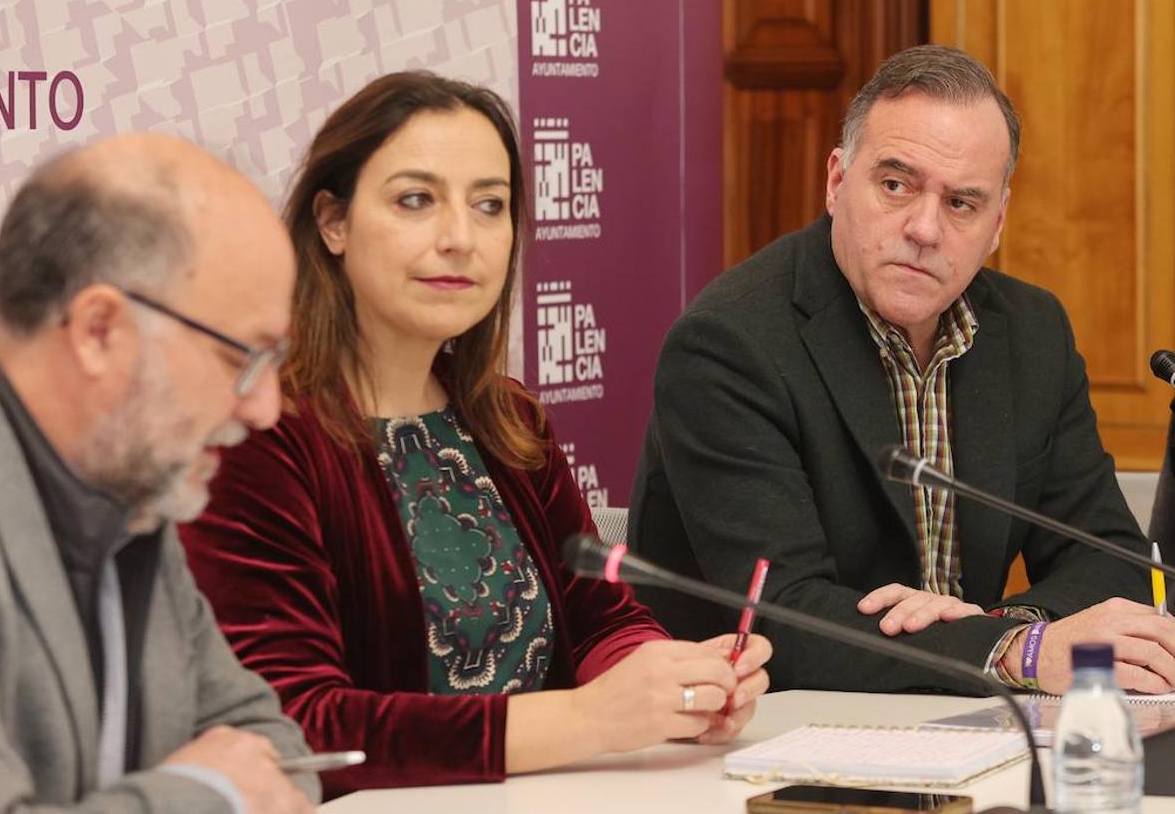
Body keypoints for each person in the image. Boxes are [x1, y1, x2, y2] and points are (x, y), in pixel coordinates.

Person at [177, 71, 771, 797]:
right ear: (332, 222)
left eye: (490, 205)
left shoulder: (507, 420)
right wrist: (589, 721)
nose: (460, 239)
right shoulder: (260, 434)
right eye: (416, 200)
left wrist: (676, 687)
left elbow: (597, 620)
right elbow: (297, 724)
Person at [630, 44, 1165, 697]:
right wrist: (1013, 652)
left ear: (996, 224)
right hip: (756, 732)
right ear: (835, 181)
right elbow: (782, 622)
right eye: (895, 184)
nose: (924, 228)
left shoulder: (1032, 333)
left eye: (962, 203)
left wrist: (1009, 629)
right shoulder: (729, 345)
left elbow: (1110, 563)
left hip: (966, 727)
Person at [0, 134, 318, 812]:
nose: (267, 409)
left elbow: (273, 749)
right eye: (242, 360)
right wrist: (210, 794)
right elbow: (237, 779)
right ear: (100, 329)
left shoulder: (128, 492)